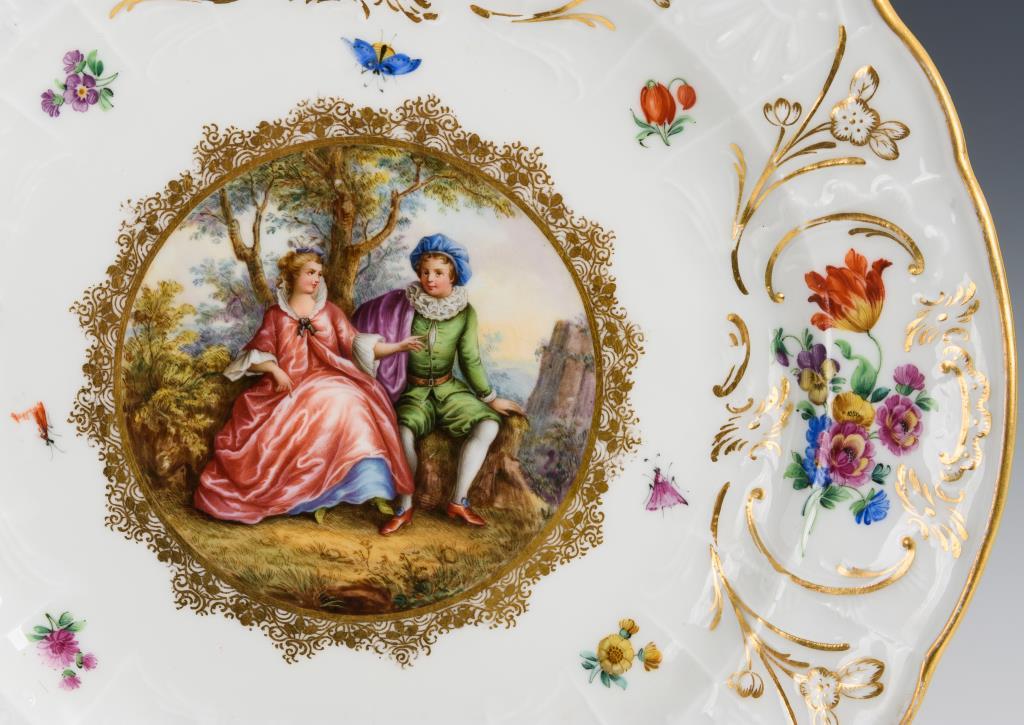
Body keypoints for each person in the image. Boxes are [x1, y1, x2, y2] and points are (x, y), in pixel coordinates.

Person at [193, 248, 423, 525]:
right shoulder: (276, 316)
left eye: (319, 274)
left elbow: (357, 345)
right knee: (311, 410)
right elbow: (257, 354)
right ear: (293, 277)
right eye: (310, 273)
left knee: (351, 401)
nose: (316, 279)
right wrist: (275, 370)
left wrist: (398, 346)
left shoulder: (330, 312)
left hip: (330, 379)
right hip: (287, 387)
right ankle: (307, 496)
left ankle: (357, 487)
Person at [353, 234, 525, 535]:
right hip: (413, 391)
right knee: (402, 432)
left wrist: (489, 398)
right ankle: (404, 506)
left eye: (438, 273)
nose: (429, 279)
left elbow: (470, 359)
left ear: (453, 275)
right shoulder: (404, 305)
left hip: (449, 390)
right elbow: (367, 331)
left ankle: (458, 500)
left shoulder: (465, 312)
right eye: (425, 272)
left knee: (488, 425)